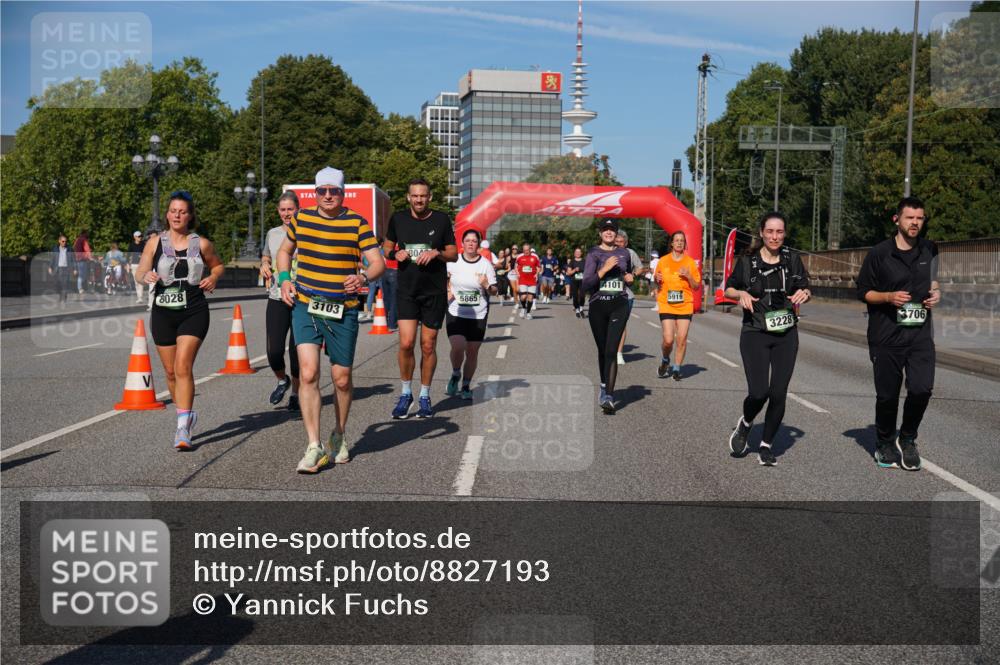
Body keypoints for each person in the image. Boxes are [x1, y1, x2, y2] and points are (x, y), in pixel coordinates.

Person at [277, 167, 384, 473]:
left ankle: (338, 434)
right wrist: (285, 279)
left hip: (342, 308)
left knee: (342, 379)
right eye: (321, 191)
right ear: (315, 193)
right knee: (308, 373)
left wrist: (362, 277)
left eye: (333, 191)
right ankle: (314, 445)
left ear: (342, 193)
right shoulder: (301, 219)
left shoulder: (357, 223)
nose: (327, 196)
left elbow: (378, 263)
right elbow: (285, 252)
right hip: (306, 304)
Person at [135, 191, 224, 450]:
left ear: (190, 216)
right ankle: (184, 415)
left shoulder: (202, 244)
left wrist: (213, 277)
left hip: (194, 310)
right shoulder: (155, 243)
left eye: (182, 212)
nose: (177, 215)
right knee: (171, 372)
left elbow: (218, 266)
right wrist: (146, 276)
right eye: (173, 211)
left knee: (183, 366)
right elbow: (140, 271)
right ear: (167, 214)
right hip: (163, 312)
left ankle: (183, 428)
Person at [856, 196, 940, 471]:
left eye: (919, 218)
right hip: (886, 335)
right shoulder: (879, 253)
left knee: (922, 388)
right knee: (888, 395)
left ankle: (907, 437)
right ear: (897, 220)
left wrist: (936, 293)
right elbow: (863, 292)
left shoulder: (930, 249)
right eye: (909, 218)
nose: (915, 223)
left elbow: (934, 281)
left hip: (920, 335)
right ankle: (884, 442)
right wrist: (888, 297)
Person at [724, 212, 811, 466]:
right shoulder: (747, 261)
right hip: (755, 332)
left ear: (785, 234)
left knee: (779, 392)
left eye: (779, 232)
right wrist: (739, 294)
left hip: (786, 333)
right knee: (759, 392)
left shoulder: (792, 259)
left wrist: (805, 293)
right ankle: (746, 423)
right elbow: (728, 288)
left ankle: (766, 445)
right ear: (761, 232)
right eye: (770, 231)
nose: (775, 237)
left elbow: (805, 287)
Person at [382, 178, 457, 419]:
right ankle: (406, 393)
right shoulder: (398, 219)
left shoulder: (441, 219)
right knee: (406, 343)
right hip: (407, 290)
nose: (419, 200)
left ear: (429, 197)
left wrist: (437, 253)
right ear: (408, 197)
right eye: (415, 196)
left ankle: (424, 395)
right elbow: (386, 248)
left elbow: (453, 253)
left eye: (423, 196)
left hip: (433, 291)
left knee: (428, 345)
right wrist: (395, 254)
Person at [582, 219, 635, 414]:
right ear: (600, 234)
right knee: (603, 350)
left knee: (612, 350)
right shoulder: (593, 253)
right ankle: (604, 385)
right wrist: (604, 269)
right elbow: (586, 284)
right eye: (605, 230)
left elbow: (627, 276)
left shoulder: (624, 253)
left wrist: (630, 279)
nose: (609, 233)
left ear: (616, 233)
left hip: (619, 305)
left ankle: (609, 396)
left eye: (612, 230)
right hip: (598, 306)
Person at [259, 190, 301, 411]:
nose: (286, 213)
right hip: (277, 296)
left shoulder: (307, 231)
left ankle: (296, 394)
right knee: (274, 351)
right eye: (283, 210)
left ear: (298, 210)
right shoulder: (273, 234)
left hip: (302, 298)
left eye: (290, 209)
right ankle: (282, 380)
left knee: (296, 351)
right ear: (278, 211)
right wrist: (264, 263)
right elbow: (266, 255)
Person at [446, 229, 498, 400]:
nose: (470, 243)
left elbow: (494, 291)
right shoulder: (452, 262)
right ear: (462, 243)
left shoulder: (485, 265)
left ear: (478, 245)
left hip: (478, 315)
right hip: (456, 311)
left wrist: (486, 285)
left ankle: (466, 385)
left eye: (474, 241)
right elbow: (442, 280)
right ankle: (455, 373)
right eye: (467, 240)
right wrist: (447, 289)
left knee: (472, 352)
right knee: (458, 346)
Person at [654, 231, 700, 380]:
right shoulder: (663, 261)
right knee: (668, 340)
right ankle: (665, 359)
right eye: (677, 240)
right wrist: (656, 279)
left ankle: (676, 368)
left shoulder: (690, 262)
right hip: (666, 303)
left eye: (682, 241)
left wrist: (689, 276)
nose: (679, 243)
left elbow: (696, 286)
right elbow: (657, 280)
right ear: (672, 243)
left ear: (685, 244)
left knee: (681, 338)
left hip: (685, 304)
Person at [614, 230, 645, 365]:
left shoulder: (630, 253)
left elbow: (640, 268)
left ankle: (619, 353)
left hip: (625, 294)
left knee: (621, 324)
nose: (618, 244)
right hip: (607, 293)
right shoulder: (606, 252)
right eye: (616, 241)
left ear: (626, 243)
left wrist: (633, 275)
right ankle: (608, 350)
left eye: (621, 242)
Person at [514, 242, 541, 319]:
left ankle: (528, 313)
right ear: (523, 250)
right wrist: (517, 273)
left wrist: (537, 274)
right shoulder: (519, 257)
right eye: (524, 250)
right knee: (523, 297)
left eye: (527, 250)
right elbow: (515, 266)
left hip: (532, 280)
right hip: (522, 279)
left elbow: (538, 267)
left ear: (530, 249)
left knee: (530, 298)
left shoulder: (535, 257)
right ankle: (523, 308)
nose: (526, 251)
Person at [48, 234, 75, 304]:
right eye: (63, 241)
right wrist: (50, 267)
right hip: (58, 269)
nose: (64, 243)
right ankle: (61, 295)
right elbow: (52, 258)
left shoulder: (69, 249)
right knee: (57, 284)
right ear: (59, 241)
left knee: (65, 284)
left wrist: (75, 269)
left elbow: (73, 260)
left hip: (66, 268)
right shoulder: (55, 249)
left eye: (65, 241)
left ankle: (64, 297)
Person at [128, 230, 147, 304]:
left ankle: (140, 297)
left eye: (141, 236)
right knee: (136, 281)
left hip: (142, 265)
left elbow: (147, 253)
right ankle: (139, 297)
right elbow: (128, 256)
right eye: (139, 236)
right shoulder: (131, 245)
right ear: (135, 237)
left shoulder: (143, 244)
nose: (140, 237)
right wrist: (128, 265)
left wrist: (143, 256)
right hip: (134, 265)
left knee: (140, 280)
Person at [566, 247, 586, 318]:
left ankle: (581, 308)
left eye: (579, 252)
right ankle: (577, 309)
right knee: (575, 296)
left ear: (581, 253)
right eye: (576, 252)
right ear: (574, 253)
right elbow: (568, 273)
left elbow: (588, 270)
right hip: (574, 281)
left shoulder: (584, 261)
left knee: (582, 295)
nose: (578, 253)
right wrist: (574, 270)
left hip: (583, 281)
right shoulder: (572, 262)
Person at [73, 229, 92, 295]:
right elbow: (87, 250)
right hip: (82, 260)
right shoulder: (84, 240)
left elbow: (74, 248)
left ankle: (80, 288)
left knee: (80, 275)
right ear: (85, 234)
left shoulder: (77, 240)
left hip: (77, 259)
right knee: (82, 275)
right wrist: (90, 257)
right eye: (87, 233)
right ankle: (80, 288)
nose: (88, 235)